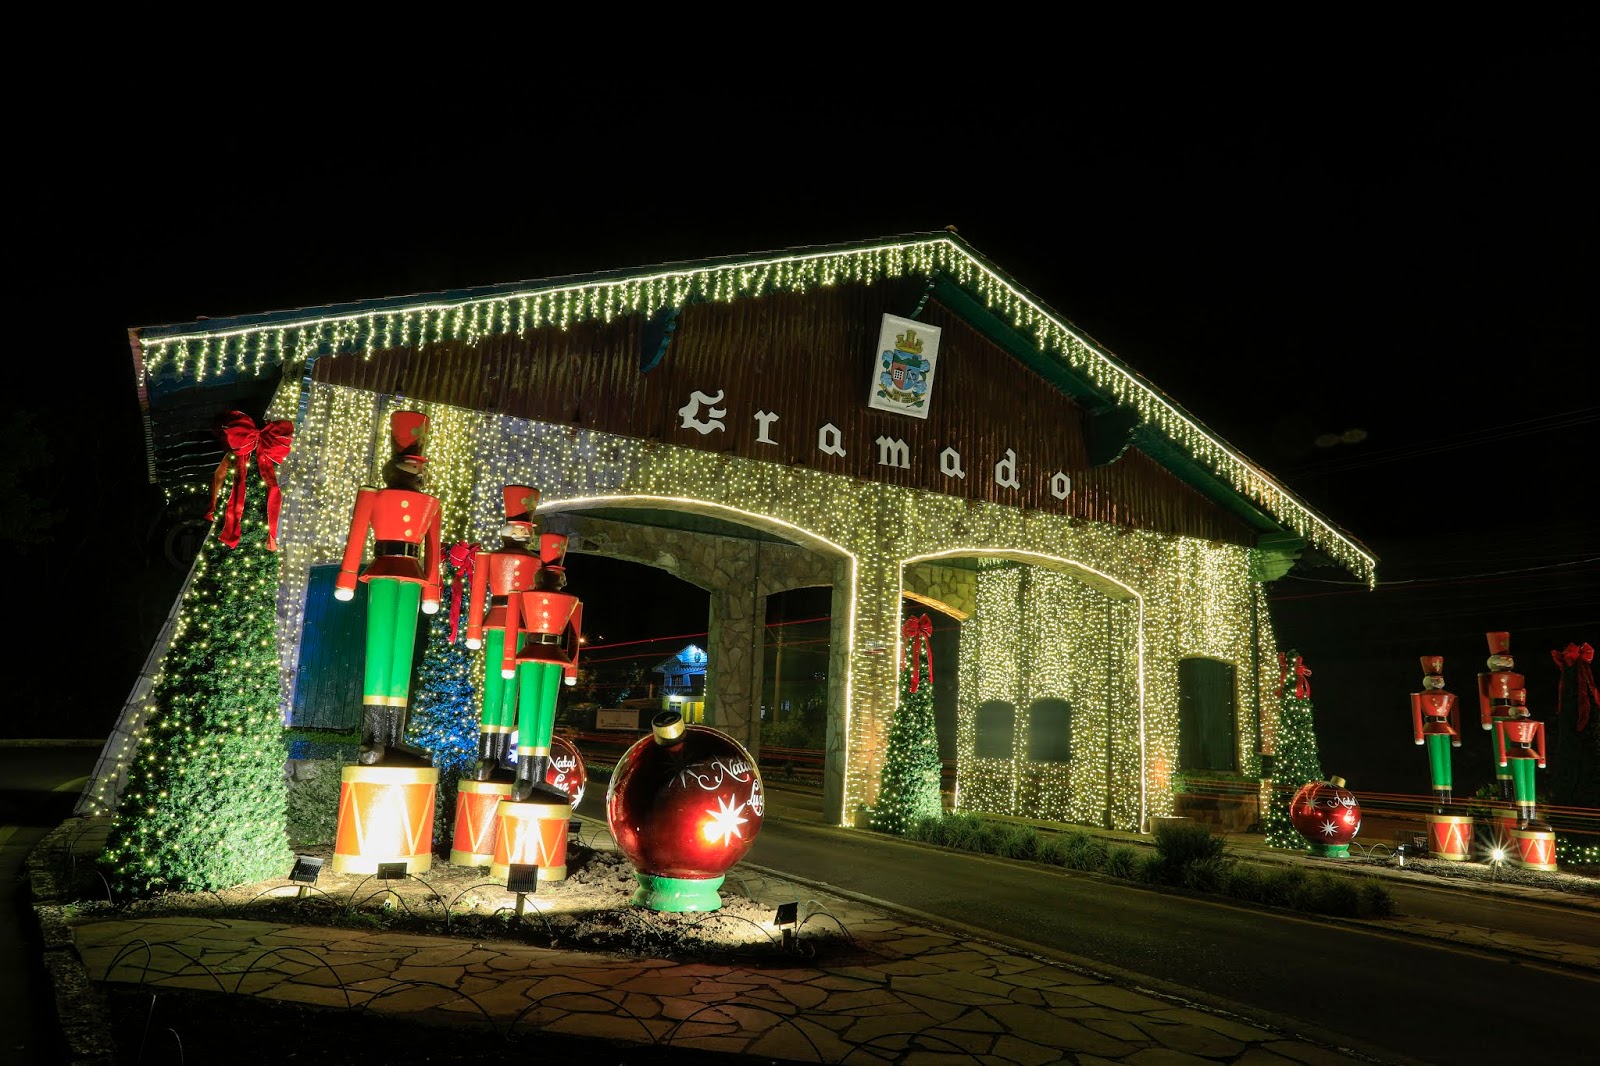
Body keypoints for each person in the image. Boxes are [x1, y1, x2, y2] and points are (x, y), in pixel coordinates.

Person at [334, 410, 442, 766]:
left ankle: (394, 738)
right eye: (414, 465)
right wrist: (347, 578)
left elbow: (434, 548)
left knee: (402, 652)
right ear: (396, 466)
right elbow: (356, 535)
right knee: (380, 652)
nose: (420, 472)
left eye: (421, 466)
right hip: (383, 565)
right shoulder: (374, 496)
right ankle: (371, 737)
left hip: (412, 572)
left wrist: (432, 590)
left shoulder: (431, 504)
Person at [463, 486, 543, 780]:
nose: (523, 535)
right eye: (519, 529)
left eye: (527, 531)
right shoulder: (490, 557)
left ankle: (502, 756)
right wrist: (473, 629)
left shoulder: (537, 563)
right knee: (494, 688)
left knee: (513, 691)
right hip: (497, 621)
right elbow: (477, 590)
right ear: (507, 528)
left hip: (521, 625)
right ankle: (486, 755)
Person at [511, 532, 583, 801]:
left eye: (558, 574)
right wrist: (509, 659)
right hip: (531, 650)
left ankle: (537, 777)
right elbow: (512, 624)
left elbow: (574, 634)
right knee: (529, 712)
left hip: (553, 653)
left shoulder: (572, 602)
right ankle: (524, 776)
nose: (556, 579)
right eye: (552, 573)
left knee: (545, 718)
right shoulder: (524, 596)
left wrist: (572, 671)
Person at [1411, 655, 1461, 811]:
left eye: (1438, 678)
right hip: (1431, 726)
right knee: (1437, 763)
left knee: (1446, 763)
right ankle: (1439, 799)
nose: (1436, 681)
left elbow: (1455, 714)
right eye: (1433, 678)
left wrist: (1457, 737)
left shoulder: (1449, 695)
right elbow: (1416, 714)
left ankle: (1448, 798)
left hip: (1445, 727)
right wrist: (1419, 735)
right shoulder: (1420, 696)